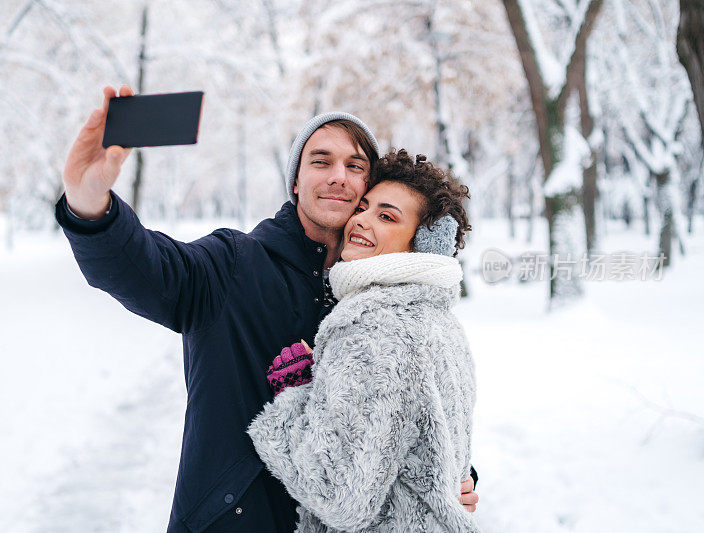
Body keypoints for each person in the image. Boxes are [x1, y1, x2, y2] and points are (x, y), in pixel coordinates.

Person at [55, 85, 478, 532]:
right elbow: (143, 267)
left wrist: (451, 477)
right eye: (321, 161)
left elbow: (409, 411)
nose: (338, 176)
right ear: (296, 180)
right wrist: (89, 206)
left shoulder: (378, 300)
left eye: (355, 166)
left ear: (365, 189)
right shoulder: (233, 263)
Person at [248, 149, 478, 532]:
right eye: (365, 207)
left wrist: (296, 394)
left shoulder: (372, 327)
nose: (360, 221)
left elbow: (338, 495)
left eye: (386, 216)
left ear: (424, 243)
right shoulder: (441, 322)